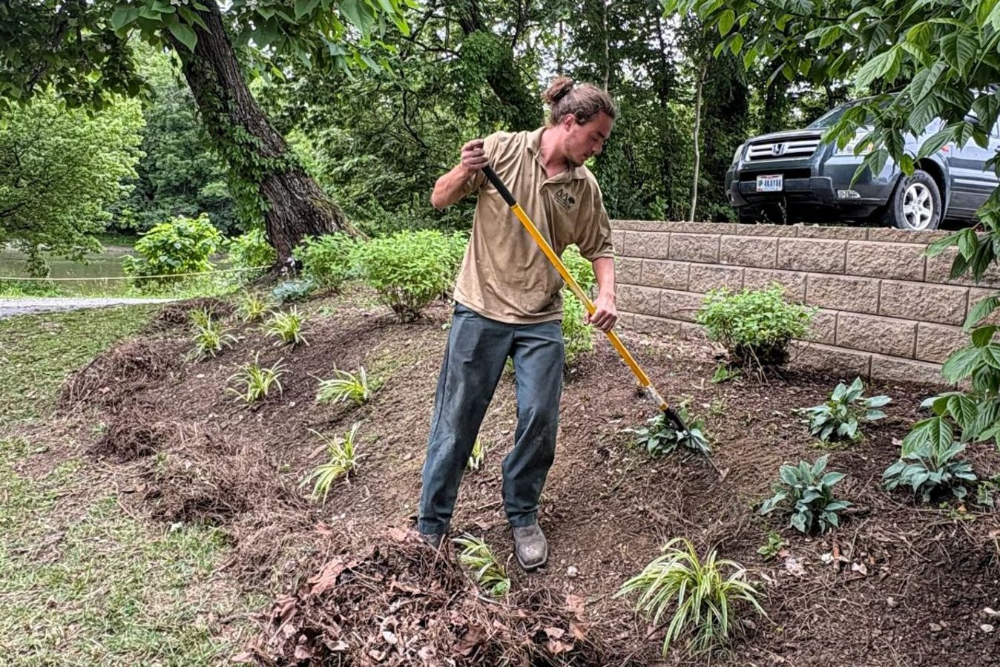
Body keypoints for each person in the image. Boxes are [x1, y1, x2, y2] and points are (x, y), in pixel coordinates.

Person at [417, 76, 619, 572]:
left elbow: (600, 247)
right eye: (595, 136)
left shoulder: (583, 187)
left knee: (539, 420)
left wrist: (606, 293)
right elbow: (439, 199)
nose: (598, 148)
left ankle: (523, 515)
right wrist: (465, 172)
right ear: (569, 122)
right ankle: (430, 527)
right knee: (456, 420)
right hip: (480, 309)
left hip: (540, 320)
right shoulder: (501, 151)